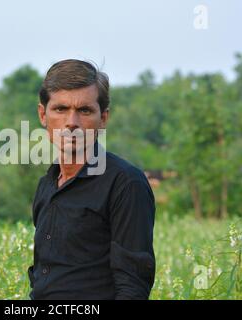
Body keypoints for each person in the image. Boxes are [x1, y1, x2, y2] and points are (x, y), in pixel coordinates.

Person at [27, 59, 156, 299]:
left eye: (84, 111)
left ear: (103, 118)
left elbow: (133, 286)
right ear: (43, 115)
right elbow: (43, 276)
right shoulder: (47, 185)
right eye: (60, 109)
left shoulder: (125, 183)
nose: (72, 123)